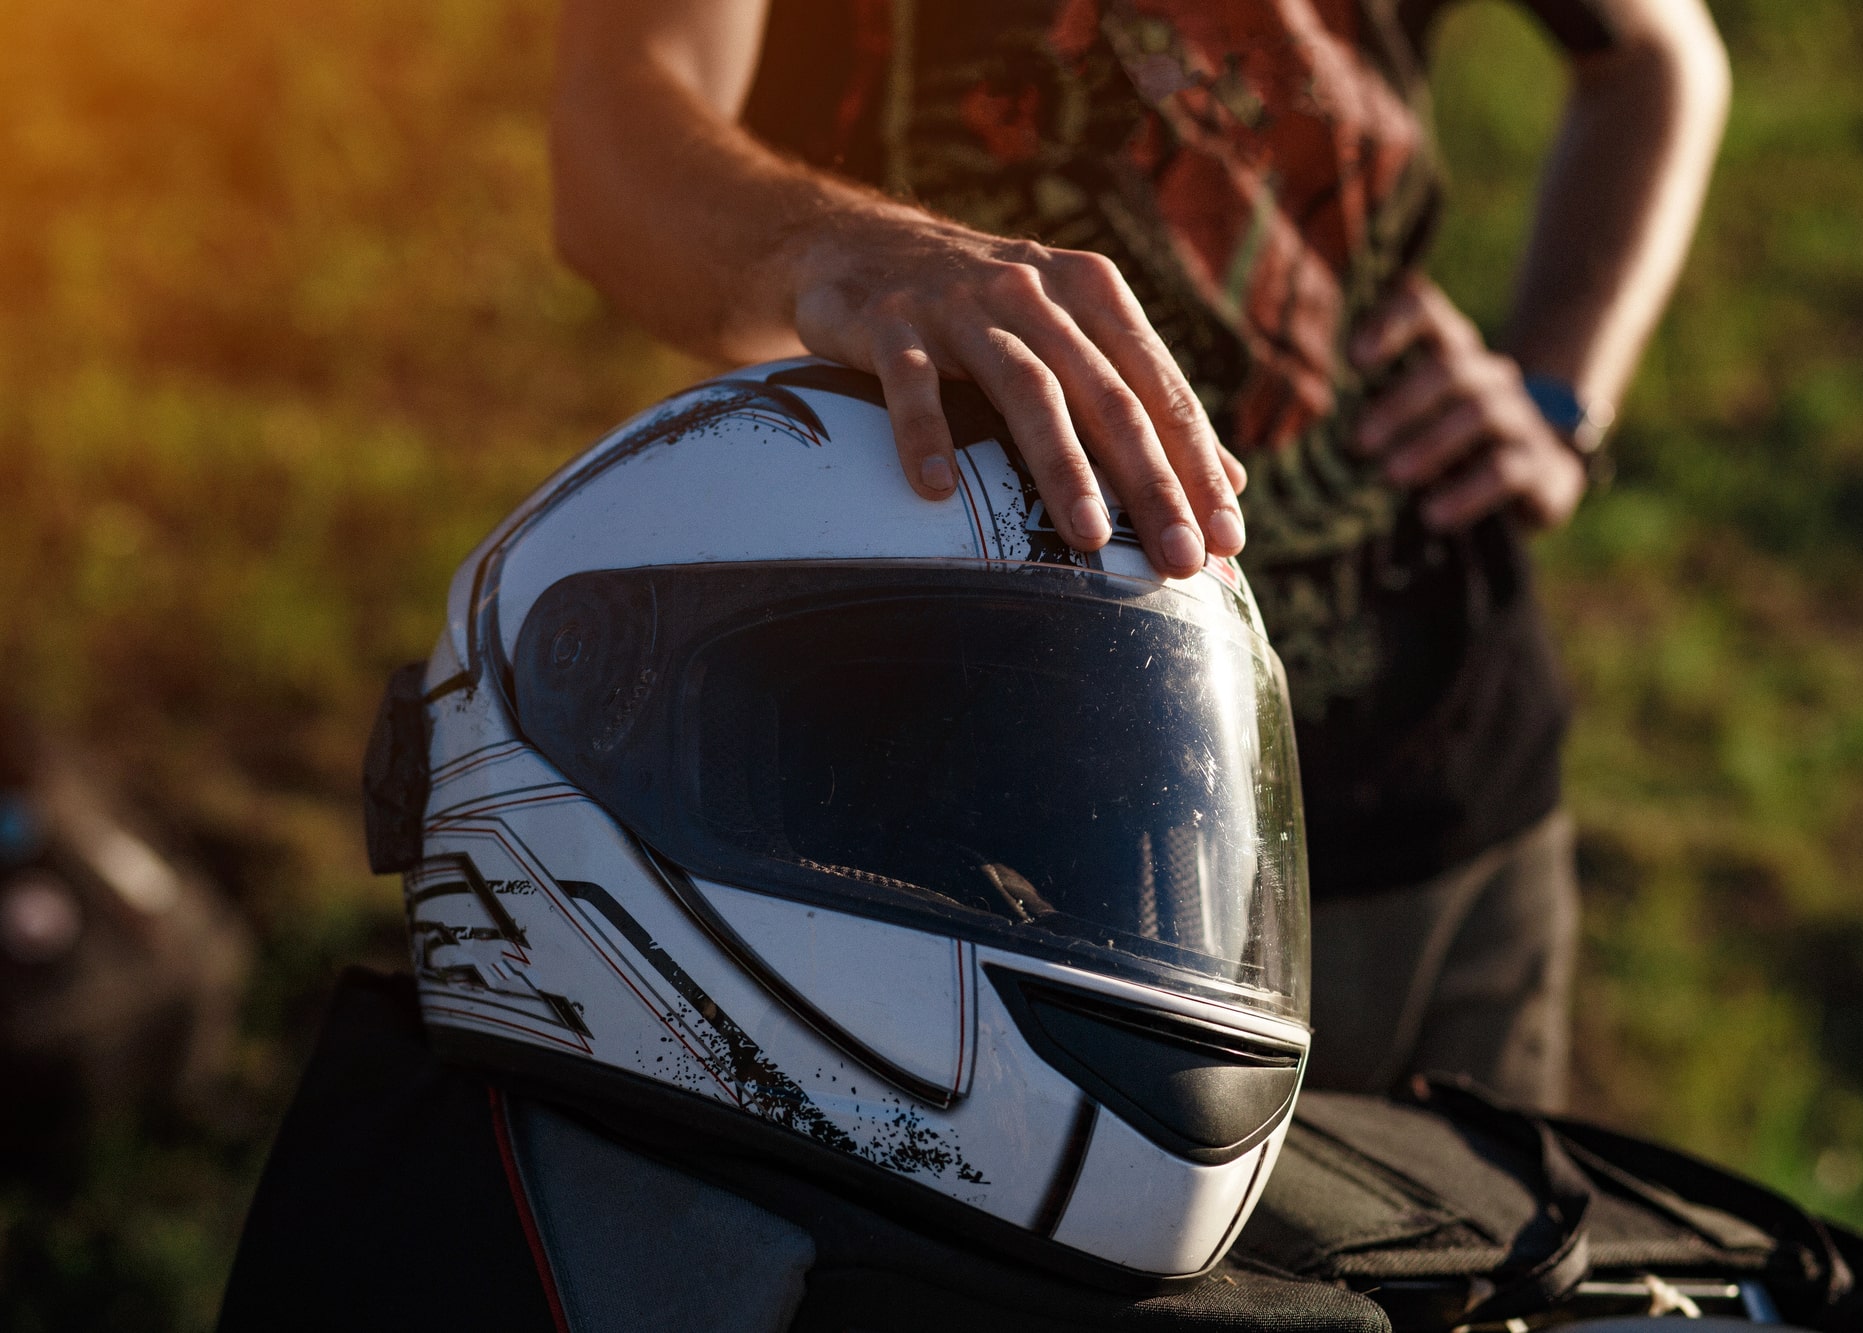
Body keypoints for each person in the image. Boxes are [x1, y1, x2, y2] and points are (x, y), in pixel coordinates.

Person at [546, 0, 1729, 1110]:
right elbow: (613, 128)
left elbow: (1654, 53)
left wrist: (1557, 397)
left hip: (1432, 794)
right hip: (952, 840)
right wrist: (843, 245)